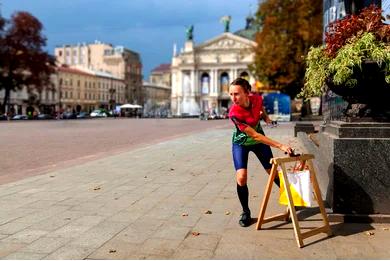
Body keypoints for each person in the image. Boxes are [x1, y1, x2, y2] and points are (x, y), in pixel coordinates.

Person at [228, 78, 293, 227]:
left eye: (236, 94)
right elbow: (255, 135)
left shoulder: (257, 98)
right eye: (231, 94)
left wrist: (266, 118)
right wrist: (281, 146)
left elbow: (260, 108)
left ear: (247, 93)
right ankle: (246, 212)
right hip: (241, 144)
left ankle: (291, 197)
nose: (233, 98)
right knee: (241, 177)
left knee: (273, 173)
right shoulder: (234, 113)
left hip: (259, 144)